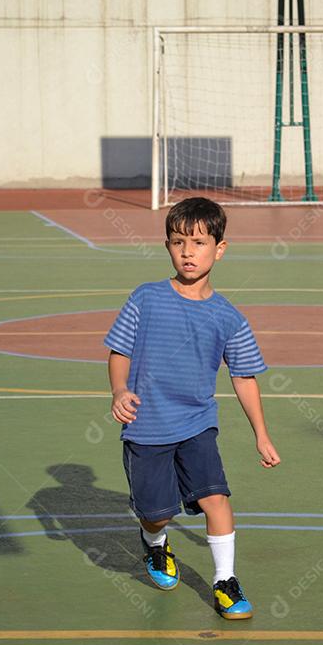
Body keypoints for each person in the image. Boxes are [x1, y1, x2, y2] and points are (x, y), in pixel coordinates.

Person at [103, 197, 281, 620]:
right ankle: (154, 544)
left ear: (219, 249)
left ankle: (225, 582)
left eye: (199, 243)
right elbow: (118, 350)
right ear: (166, 246)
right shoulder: (145, 298)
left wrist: (261, 433)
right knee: (154, 514)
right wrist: (118, 391)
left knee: (215, 497)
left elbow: (243, 377)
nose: (188, 251)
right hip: (147, 427)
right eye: (178, 242)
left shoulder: (229, 317)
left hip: (198, 424)